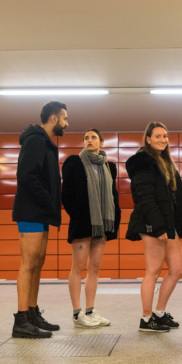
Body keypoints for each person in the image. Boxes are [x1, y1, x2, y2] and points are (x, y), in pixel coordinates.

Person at [126, 122, 182, 332]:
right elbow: (145, 197)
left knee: (177, 269)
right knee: (153, 271)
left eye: (165, 136)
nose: (163, 139)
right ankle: (146, 318)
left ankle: (159, 313)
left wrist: (177, 227)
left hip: (169, 225)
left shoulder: (166, 163)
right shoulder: (143, 162)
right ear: (148, 139)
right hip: (153, 224)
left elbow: (173, 198)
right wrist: (159, 226)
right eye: (158, 136)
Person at [12, 100, 68, 338]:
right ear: (54, 118)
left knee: (37, 263)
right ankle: (21, 320)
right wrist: (47, 200)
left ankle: (32, 312)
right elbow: (26, 176)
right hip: (31, 210)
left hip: (41, 212)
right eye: (65, 118)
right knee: (28, 263)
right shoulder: (36, 140)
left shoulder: (45, 143)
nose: (67, 122)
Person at [62, 129, 121, 328]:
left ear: (101, 143)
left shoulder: (109, 167)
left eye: (93, 137)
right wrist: (78, 215)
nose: (89, 140)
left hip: (102, 224)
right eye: (86, 137)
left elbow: (113, 195)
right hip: (82, 224)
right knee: (77, 268)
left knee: (94, 268)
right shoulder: (74, 163)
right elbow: (67, 194)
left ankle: (91, 310)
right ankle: (77, 314)